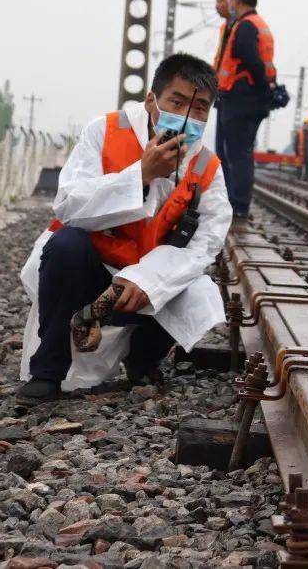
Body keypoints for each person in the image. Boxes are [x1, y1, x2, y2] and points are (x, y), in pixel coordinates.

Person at [16, 53, 232, 405]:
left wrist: (147, 280)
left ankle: (143, 361)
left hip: (145, 281)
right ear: (151, 101)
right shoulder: (105, 131)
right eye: (177, 103)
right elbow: (69, 204)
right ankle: (48, 372)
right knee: (65, 245)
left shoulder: (207, 166)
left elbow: (206, 243)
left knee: (197, 292)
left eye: (200, 109)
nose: (187, 117)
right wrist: (141, 176)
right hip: (91, 271)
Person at [214, 0, 277, 221]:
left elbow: (252, 62)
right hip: (243, 98)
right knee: (236, 152)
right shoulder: (249, 24)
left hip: (241, 99)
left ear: (236, 0)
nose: (219, 4)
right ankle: (234, 202)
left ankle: (237, 205)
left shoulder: (245, 27)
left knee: (236, 153)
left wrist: (262, 89)